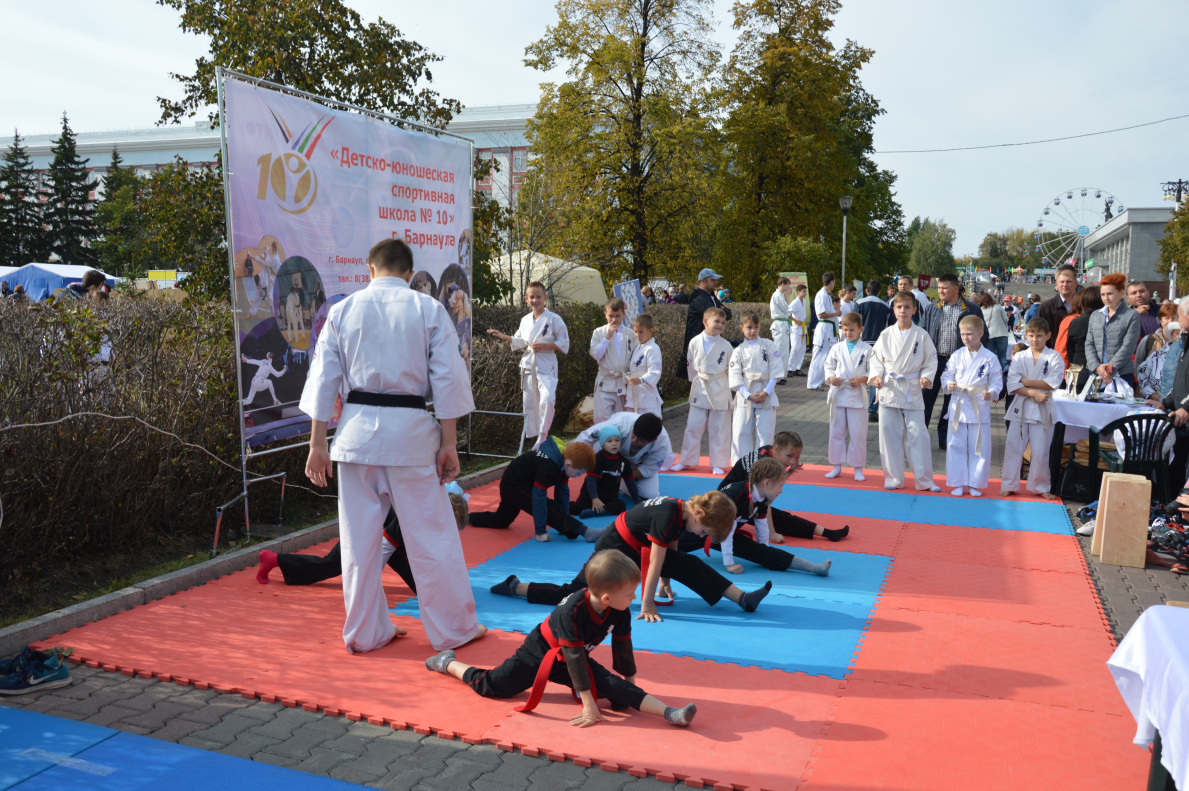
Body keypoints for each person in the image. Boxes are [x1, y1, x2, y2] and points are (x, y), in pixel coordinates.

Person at [299, 237, 483, 654]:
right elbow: (448, 380)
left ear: (369, 269)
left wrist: (317, 444)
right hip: (412, 438)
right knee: (431, 537)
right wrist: (449, 443)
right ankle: (453, 631)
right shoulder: (428, 309)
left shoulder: (343, 311)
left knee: (359, 541)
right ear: (408, 272)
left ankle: (365, 633)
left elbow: (323, 378)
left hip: (355, 438)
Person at [426, 550, 698, 727]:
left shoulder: (619, 609)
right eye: (630, 593)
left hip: (574, 653)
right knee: (494, 686)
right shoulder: (573, 611)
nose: (634, 598)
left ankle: (671, 713)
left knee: (615, 688)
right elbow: (574, 658)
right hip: (540, 651)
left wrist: (628, 684)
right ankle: (447, 663)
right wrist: (590, 705)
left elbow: (623, 646)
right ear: (606, 598)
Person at [490, 492, 775, 620]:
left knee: (690, 562)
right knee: (576, 595)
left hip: (633, 545)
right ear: (699, 513)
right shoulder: (668, 514)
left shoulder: (681, 511)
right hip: (613, 547)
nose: (701, 536)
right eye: (704, 531)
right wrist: (647, 603)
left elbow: (671, 553)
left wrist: (667, 581)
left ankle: (743, 599)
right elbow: (655, 563)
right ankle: (517, 587)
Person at [257, 488, 468, 587]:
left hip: (383, 532)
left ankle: (426, 589)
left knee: (420, 583)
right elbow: (389, 547)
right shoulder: (415, 513)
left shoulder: (429, 511)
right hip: (366, 527)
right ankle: (273, 560)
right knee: (331, 565)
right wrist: (366, 585)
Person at [680, 458, 831, 576]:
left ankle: (815, 568)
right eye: (780, 486)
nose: (781, 491)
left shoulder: (761, 498)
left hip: (725, 535)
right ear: (766, 483)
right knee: (672, 547)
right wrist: (729, 563)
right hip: (704, 530)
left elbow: (762, 527)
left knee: (765, 551)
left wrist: (764, 554)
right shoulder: (737, 495)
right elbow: (726, 532)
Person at [870, 291, 941, 492]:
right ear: (894, 310)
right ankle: (893, 479)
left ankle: (924, 480)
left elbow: (931, 360)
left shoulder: (922, 335)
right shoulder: (885, 334)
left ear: (914, 310)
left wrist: (927, 376)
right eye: (899, 307)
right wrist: (876, 376)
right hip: (890, 388)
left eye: (907, 307)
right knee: (889, 434)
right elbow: (876, 360)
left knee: (918, 435)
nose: (903, 311)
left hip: (911, 388)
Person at [721, 433, 851, 543]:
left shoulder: (768, 452)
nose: (792, 461)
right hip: (726, 511)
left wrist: (789, 472)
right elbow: (766, 501)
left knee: (778, 516)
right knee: (779, 517)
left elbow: (770, 488)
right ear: (776, 449)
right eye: (789, 456)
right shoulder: (762, 463)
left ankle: (826, 532)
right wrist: (772, 534)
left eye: (797, 457)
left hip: (740, 503)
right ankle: (826, 533)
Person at [469, 435, 601, 541]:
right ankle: (585, 531)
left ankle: (468, 517)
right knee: (548, 505)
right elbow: (539, 498)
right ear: (568, 465)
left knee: (501, 520)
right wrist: (540, 531)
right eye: (578, 473)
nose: (577, 476)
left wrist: (564, 525)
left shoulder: (563, 462)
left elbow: (563, 493)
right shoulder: (550, 465)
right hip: (514, 484)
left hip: (518, 482)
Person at [488, 281, 570, 448]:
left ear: (545, 298)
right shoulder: (525, 320)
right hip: (528, 366)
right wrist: (504, 336)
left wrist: (546, 346)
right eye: (531, 297)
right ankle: (535, 437)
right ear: (526, 299)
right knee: (531, 403)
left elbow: (564, 342)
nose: (535, 300)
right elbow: (520, 340)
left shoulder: (554, 319)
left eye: (538, 297)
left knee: (547, 400)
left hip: (546, 366)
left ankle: (543, 434)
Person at [920, 273, 986, 449]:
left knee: (951, 404)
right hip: (934, 362)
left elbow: (983, 334)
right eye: (939, 287)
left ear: (956, 289)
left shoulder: (972, 309)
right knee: (925, 400)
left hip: (959, 365)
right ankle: (920, 439)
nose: (940, 291)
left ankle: (945, 439)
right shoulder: (932, 308)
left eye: (944, 288)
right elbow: (921, 335)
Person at [1000, 318, 1064, 498]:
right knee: (1013, 446)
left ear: (1048, 336)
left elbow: (1053, 383)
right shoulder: (1020, 356)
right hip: (1021, 407)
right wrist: (1034, 392)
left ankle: (1041, 486)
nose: (1035, 339)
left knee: (1041, 450)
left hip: (1043, 409)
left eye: (1039, 336)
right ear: (1026, 336)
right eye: (1031, 336)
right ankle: (1009, 483)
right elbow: (1012, 384)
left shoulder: (1054, 357)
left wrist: (1025, 382)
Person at [941, 315, 1003, 497]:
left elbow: (997, 381)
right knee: (955, 445)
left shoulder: (990, 357)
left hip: (979, 405)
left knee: (979, 447)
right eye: (962, 334)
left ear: (981, 333)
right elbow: (946, 375)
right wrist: (948, 384)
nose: (966, 338)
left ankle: (975, 483)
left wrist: (991, 392)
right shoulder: (957, 355)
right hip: (959, 404)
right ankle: (958, 482)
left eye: (969, 334)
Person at [676, 306, 733, 474]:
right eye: (717, 321)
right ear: (705, 321)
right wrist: (697, 380)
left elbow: (731, 370)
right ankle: (686, 460)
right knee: (693, 426)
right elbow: (692, 367)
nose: (720, 325)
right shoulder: (694, 342)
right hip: (700, 386)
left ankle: (718, 462)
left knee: (719, 428)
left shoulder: (727, 346)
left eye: (723, 323)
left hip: (720, 387)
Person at [575, 412, 672, 499]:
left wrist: (620, 474)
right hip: (609, 456)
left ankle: (619, 483)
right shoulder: (621, 423)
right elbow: (586, 437)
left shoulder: (662, 444)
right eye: (633, 436)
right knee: (599, 443)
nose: (634, 441)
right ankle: (601, 476)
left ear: (653, 440)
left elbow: (648, 469)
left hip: (635, 465)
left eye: (640, 441)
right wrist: (571, 459)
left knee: (649, 495)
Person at [729, 310, 782, 462]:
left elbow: (776, 371)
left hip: (766, 393)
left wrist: (767, 391)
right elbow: (735, 375)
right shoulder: (738, 350)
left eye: (756, 327)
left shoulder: (769, 345)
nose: (753, 331)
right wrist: (747, 394)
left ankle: (763, 464)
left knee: (765, 433)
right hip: (745, 395)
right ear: (741, 328)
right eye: (749, 327)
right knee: (740, 432)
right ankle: (740, 465)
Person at [824, 312, 871, 481]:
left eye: (852, 330)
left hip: (857, 395)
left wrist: (861, 379)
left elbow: (873, 372)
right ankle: (836, 466)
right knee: (836, 431)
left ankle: (858, 467)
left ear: (861, 329)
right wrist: (831, 378)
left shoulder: (867, 349)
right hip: (839, 393)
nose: (848, 333)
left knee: (858, 433)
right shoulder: (836, 348)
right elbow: (828, 367)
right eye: (845, 330)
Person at [571, 426, 643, 518]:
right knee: (577, 509)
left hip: (608, 497)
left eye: (617, 440)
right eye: (609, 441)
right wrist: (595, 498)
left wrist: (637, 502)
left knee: (621, 506)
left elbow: (630, 482)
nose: (614, 443)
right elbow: (591, 480)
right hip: (591, 495)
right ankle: (592, 509)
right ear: (603, 444)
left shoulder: (623, 461)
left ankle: (594, 512)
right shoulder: (598, 459)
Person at [1086, 273, 1141, 389]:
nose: (1106, 298)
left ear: (1121, 293)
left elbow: (1128, 346)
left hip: (1121, 374)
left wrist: (1110, 369)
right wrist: (1097, 367)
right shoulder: (1095, 315)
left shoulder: (1132, 315)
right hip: (1096, 374)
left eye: (1110, 294)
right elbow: (1089, 344)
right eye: (1103, 294)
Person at [676, 269, 731, 380]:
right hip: (700, 344)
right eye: (712, 280)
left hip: (711, 341)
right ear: (703, 281)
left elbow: (728, 314)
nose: (715, 282)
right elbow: (718, 315)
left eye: (715, 280)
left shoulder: (711, 297)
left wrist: (722, 310)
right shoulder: (699, 298)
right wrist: (722, 309)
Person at [589, 297, 634, 423]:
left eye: (618, 316)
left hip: (623, 382)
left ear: (624, 315)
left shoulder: (630, 334)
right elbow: (596, 355)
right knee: (602, 419)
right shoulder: (599, 332)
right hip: (606, 382)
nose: (614, 319)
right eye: (611, 316)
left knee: (623, 420)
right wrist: (607, 337)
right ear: (605, 315)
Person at [856, 280, 890, 422]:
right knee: (875, 375)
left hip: (862, 342)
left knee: (859, 374)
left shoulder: (859, 303)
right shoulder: (886, 306)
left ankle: (857, 405)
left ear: (867, 290)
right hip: (879, 344)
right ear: (880, 292)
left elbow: (854, 322)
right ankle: (873, 409)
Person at [1064, 286, 1102, 389]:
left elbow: (1070, 348)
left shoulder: (1076, 321)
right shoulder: (1105, 321)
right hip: (1100, 369)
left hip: (1078, 368)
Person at [807, 272, 840, 390]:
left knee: (825, 356)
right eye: (834, 281)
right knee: (819, 356)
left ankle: (818, 381)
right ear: (832, 281)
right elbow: (821, 314)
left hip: (828, 329)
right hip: (824, 329)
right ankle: (813, 383)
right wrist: (835, 313)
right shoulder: (821, 294)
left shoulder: (826, 295)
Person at [626, 313, 663, 417]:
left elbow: (655, 372)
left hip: (647, 395)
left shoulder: (653, 348)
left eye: (641, 332)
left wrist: (641, 380)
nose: (638, 335)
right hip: (634, 392)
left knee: (649, 428)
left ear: (650, 331)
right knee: (633, 427)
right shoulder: (638, 347)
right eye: (636, 332)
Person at [1037, 264, 1078, 349]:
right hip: (1053, 355)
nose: (1065, 285)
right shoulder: (1046, 307)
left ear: (1076, 283)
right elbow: (1038, 333)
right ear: (1057, 284)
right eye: (1062, 282)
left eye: (1069, 281)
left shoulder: (1083, 306)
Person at [1135, 301, 1179, 369]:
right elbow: (1138, 365)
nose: (1170, 321)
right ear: (1161, 320)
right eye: (1167, 318)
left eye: (1174, 318)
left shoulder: (1183, 341)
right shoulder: (1148, 340)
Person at [769, 277, 794, 385]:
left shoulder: (779, 295)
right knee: (779, 351)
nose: (788, 287)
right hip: (780, 325)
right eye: (788, 285)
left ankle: (781, 374)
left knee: (784, 351)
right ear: (783, 284)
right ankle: (777, 375)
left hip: (783, 325)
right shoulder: (778, 295)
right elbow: (787, 310)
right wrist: (787, 296)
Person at [979, 292, 1011, 367]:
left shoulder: (981, 310)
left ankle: (993, 374)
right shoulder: (998, 306)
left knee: (991, 357)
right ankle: (1005, 374)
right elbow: (1006, 319)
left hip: (989, 335)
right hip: (1002, 334)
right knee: (1003, 357)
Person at [788, 283, 809, 377]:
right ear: (798, 292)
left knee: (802, 348)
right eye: (803, 291)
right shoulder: (794, 303)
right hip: (796, 328)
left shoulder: (804, 302)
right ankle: (789, 368)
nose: (805, 293)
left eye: (806, 291)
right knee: (795, 348)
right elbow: (788, 314)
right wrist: (795, 320)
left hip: (803, 327)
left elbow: (803, 314)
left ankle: (797, 368)